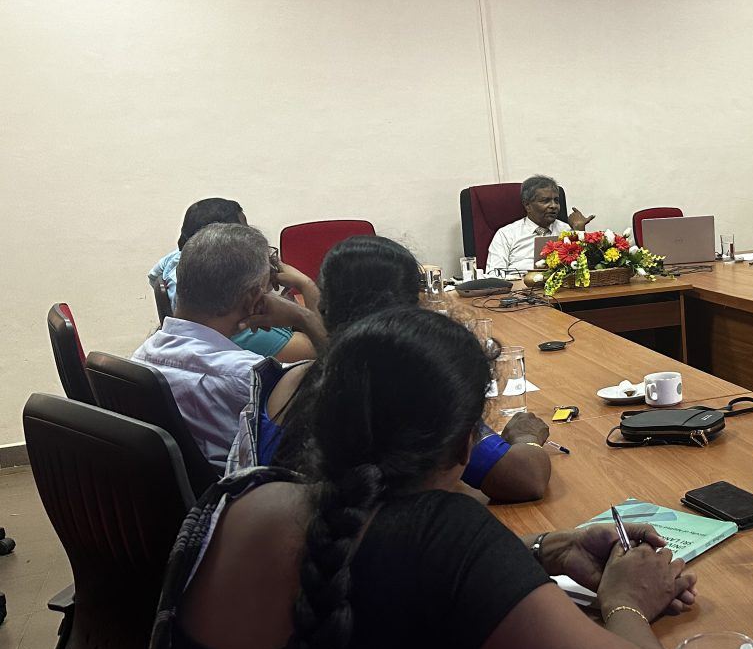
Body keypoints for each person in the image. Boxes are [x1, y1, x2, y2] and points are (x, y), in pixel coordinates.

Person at [114, 307, 695, 649]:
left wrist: (542, 551)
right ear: (466, 444)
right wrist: (627, 601)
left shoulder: (235, 500)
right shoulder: (444, 535)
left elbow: (378, 577)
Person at [236, 234, 553, 503]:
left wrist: (304, 317)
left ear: (323, 308)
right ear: (414, 309)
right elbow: (525, 479)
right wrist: (526, 438)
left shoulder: (286, 381)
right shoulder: (408, 386)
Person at [134, 223, 327, 468]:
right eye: (268, 286)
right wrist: (305, 317)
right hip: (246, 489)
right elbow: (347, 390)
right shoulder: (254, 377)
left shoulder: (141, 356)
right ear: (253, 299)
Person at [149, 198, 319, 363]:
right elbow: (320, 351)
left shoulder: (179, 262)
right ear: (251, 298)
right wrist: (305, 286)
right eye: (244, 232)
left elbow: (154, 276)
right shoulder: (243, 327)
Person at [485, 176, 594, 275]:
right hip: (518, 287)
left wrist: (579, 230)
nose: (553, 206)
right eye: (545, 201)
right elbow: (494, 274)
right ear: (527, 205)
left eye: (556, 200)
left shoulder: (568, 231)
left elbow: (586, 271)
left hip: (562, 288)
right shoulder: (506, 234)